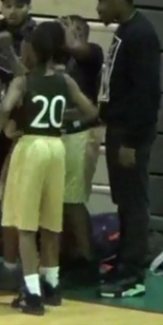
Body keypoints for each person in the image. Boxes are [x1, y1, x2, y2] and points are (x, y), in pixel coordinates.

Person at [0, 22, 98, 316]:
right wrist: (63, 118)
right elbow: (91, 111)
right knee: (51, 222)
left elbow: (5, 108)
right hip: (57, 146)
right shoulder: (65, 81)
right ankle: (52, 286)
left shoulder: (24, 81)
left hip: (32, 147)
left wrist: (7, 127)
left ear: (33, 50)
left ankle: (32, 293)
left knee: (26, 225)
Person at [94, 0, 161, 299]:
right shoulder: (125, 31)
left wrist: (132, 141)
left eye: (103, 1)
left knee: (134, 203)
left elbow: (147, 94)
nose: (99, 8)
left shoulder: (141, 35)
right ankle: (123, 262)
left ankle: (134, 274)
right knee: (124, 202)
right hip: (118, 130)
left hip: (129, 135)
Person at [0, 0, 36, 290]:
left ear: (28, 7)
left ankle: (15, 263)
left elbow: (26, 77)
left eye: (18, 5)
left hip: (22, 124)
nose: (12, 11)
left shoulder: (36, 37)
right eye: (7, 5)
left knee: (15, 195)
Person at [60, 16, 104, 283]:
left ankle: (88, 260)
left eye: (70, 29)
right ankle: (71, 255)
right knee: (64, 201)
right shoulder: (63, 58)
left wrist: (69, 36)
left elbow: (78, 48)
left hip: (83, 132)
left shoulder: (93, 53)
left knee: (74, 200)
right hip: (67, 133)